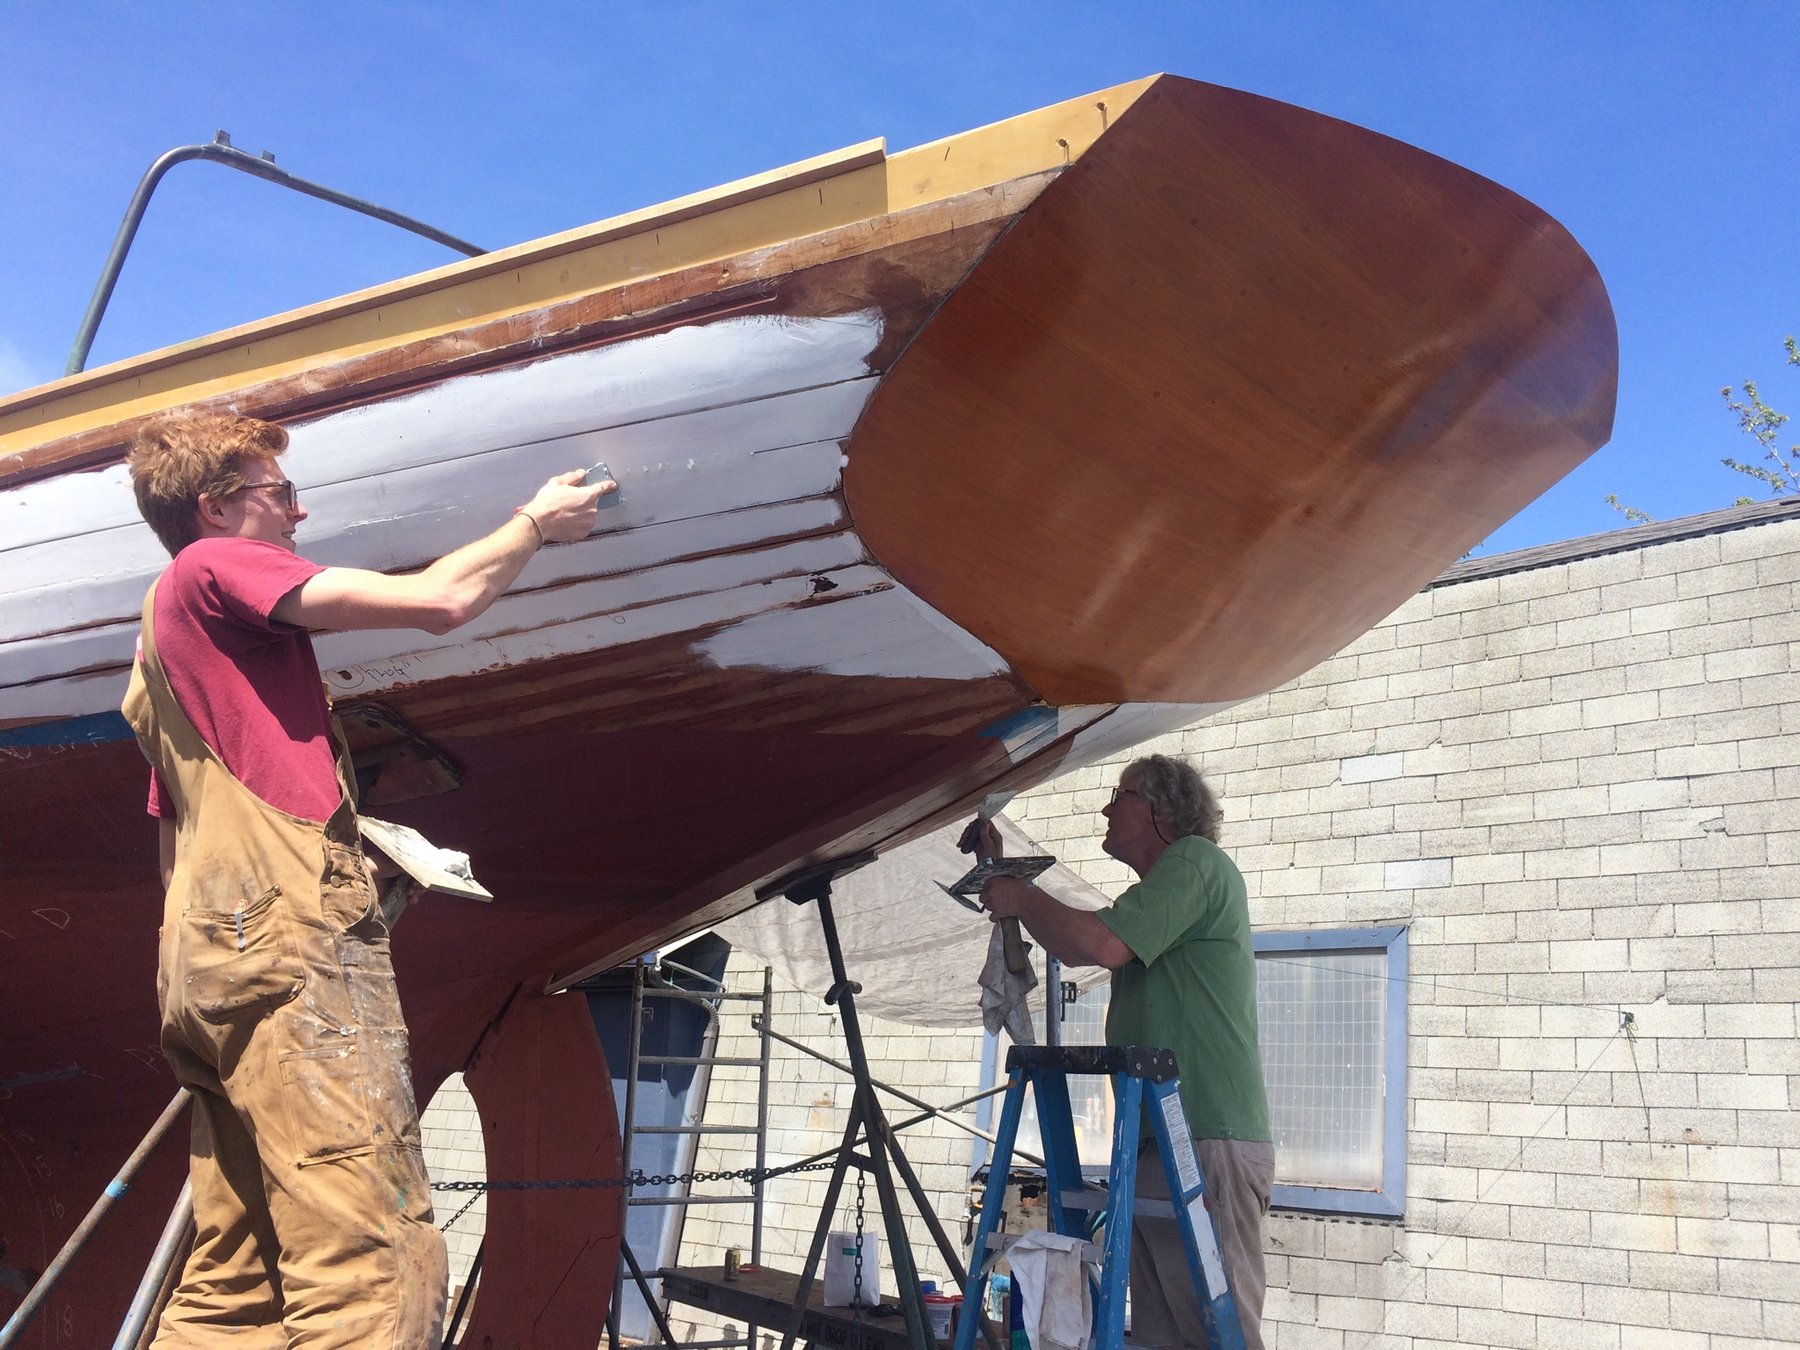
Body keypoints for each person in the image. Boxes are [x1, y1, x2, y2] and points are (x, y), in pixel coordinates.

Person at [121, 411, 609, 1347]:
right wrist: (537, 524)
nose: (298, 514)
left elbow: (175, 834)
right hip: (283, 945)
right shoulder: (213, 565)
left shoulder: (159, 646)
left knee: (244, 1268)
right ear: (217, 506)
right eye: (278, 494)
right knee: (369, 1251)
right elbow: (440, 600)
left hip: (203, 966)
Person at [979, 754, 1274, 1350]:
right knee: (1166, 1333)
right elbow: (1073, 935)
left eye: (1122, 796)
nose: (1108, 808)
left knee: (1218, 1331)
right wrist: (1001, 872)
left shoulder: (1195, 862)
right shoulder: (1162, 896)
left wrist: (1020, 897)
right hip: (1162, 1134)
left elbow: (1103, 943)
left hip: (1207, 1133)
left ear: (1161, 810)